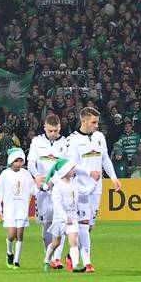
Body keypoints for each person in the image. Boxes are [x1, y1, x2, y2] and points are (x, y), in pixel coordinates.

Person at [65, 106, 121, 272]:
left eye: (97, 122)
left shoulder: (99, 137)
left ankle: (71, 254)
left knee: (89, 226)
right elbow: (71, 164)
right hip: (80, 188)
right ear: (83, 121)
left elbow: (105, 159)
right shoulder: (73, 140)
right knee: (83, 223)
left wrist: (113, 178)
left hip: (97, 188)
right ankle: (87, 262)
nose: (97, 125)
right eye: (94, 122)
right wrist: (89, 171)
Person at [27, 113, 66, 268]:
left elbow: (65, 167)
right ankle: (48, 256)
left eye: (56, 131)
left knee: (60, 223)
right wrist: (37, 176)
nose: (53, 134)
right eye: (50, 131)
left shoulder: (65, 143)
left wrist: (54, 181)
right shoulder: (37, 142)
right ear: (44, 127)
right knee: (46, 225)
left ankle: (57, 258)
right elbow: (30, 163)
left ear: (59, 128)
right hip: (42, 191)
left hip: (58, 189)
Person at [41, 157, 91, 272]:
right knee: (55, 243)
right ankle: (47, 259)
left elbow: (84, 191)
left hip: (72, 218)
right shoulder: (58, 186)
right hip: (60, 219)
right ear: (65, 171)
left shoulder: (74, 184)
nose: (74, 170)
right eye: (72, 168)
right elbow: (57, 204)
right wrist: (64, 217)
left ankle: (76, 265)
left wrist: (95, 182)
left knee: (74, 241)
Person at [0, 148, 36, 269]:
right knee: (11, 235)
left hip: (22, 209)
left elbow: (33, 189)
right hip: (10, 209)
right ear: (11, 161)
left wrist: (42, 188)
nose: (19, 163)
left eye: (21, 161)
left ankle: (17, 261)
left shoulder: (26, 174)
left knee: (20, 234)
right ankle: (9, 252)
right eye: (16, 161)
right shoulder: (5, 174)